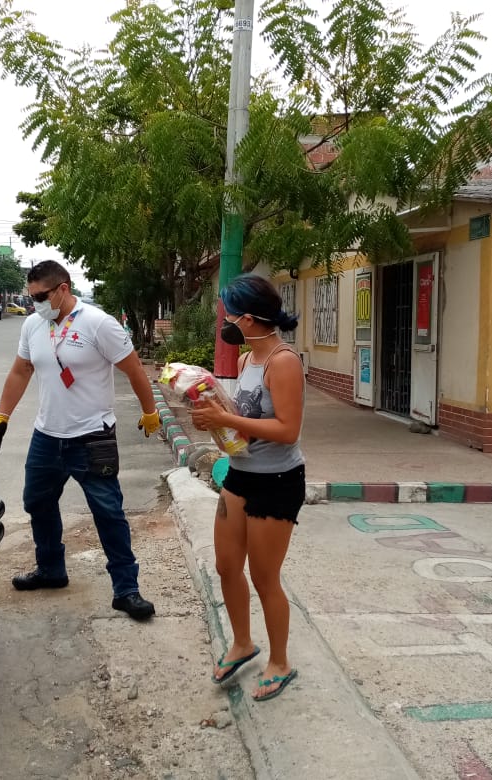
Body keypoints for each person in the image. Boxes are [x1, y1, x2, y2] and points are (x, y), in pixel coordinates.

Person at [0, 261, 162, 620]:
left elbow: (133, 369)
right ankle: (51, 570)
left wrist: (150, 412)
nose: (35, 302)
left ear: (63, 289)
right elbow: (22, 371)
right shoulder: (33, 325)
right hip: (46, 436)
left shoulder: (98, 324)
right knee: (37, 503)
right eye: (31, 296)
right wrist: (2, 417)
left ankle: (126, 590)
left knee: (108, 513)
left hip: (92, 436)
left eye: (41, 296)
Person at [189, 273, 305, 701]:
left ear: (252, 318)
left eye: (231, 313)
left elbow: (287, 429)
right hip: (240, 474)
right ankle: (242, 642)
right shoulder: (245, 361)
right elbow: (243, 419)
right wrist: (210, 408)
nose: (227, 320)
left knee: (264, 577)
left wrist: (227, 419)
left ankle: (280, 661)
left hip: (277, 482)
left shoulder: (283, 361)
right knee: (226, 565)